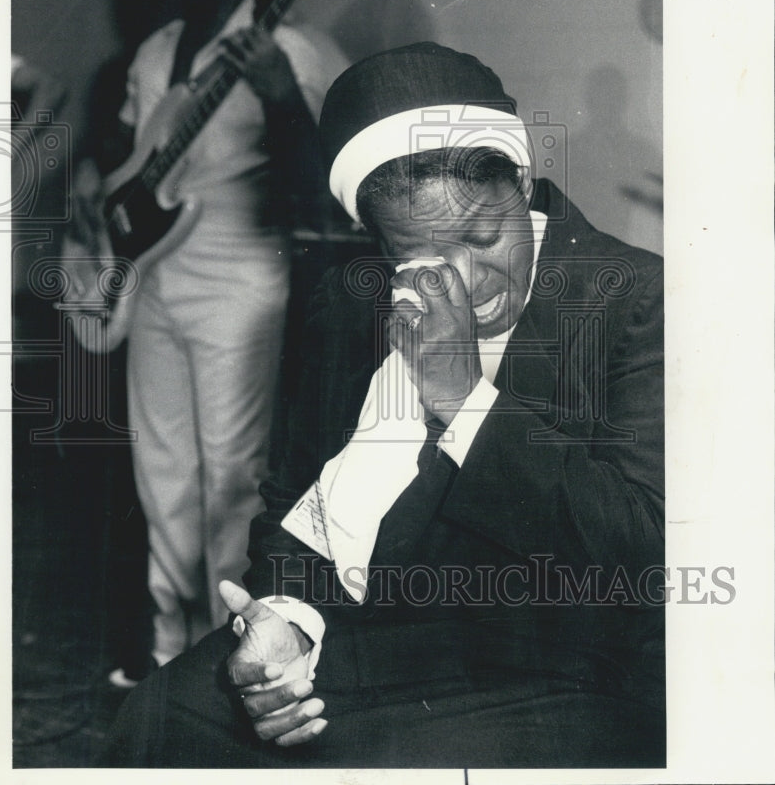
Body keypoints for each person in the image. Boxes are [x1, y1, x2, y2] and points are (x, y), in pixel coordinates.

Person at [105, 42, 665, 767]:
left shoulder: (634, 299)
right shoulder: (348, 301)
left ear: (520, 185)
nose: (462, 281)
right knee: (162, 717)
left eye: (483, 236)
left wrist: (463, 399)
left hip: (560, 662)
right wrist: (286, 619)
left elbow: (643, 552)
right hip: (376, 638)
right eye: (419, 257)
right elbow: (290, 494)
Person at [73, 0, 348, 683]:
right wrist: (94, 186)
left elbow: (320, 187)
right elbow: (124, 158)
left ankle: (224, 658)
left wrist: (278, 100)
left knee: (230, 477)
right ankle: (168, 653)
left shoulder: (289, 50)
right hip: (151, 278)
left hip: (240, 281)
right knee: (161, 473)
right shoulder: (154, 52)